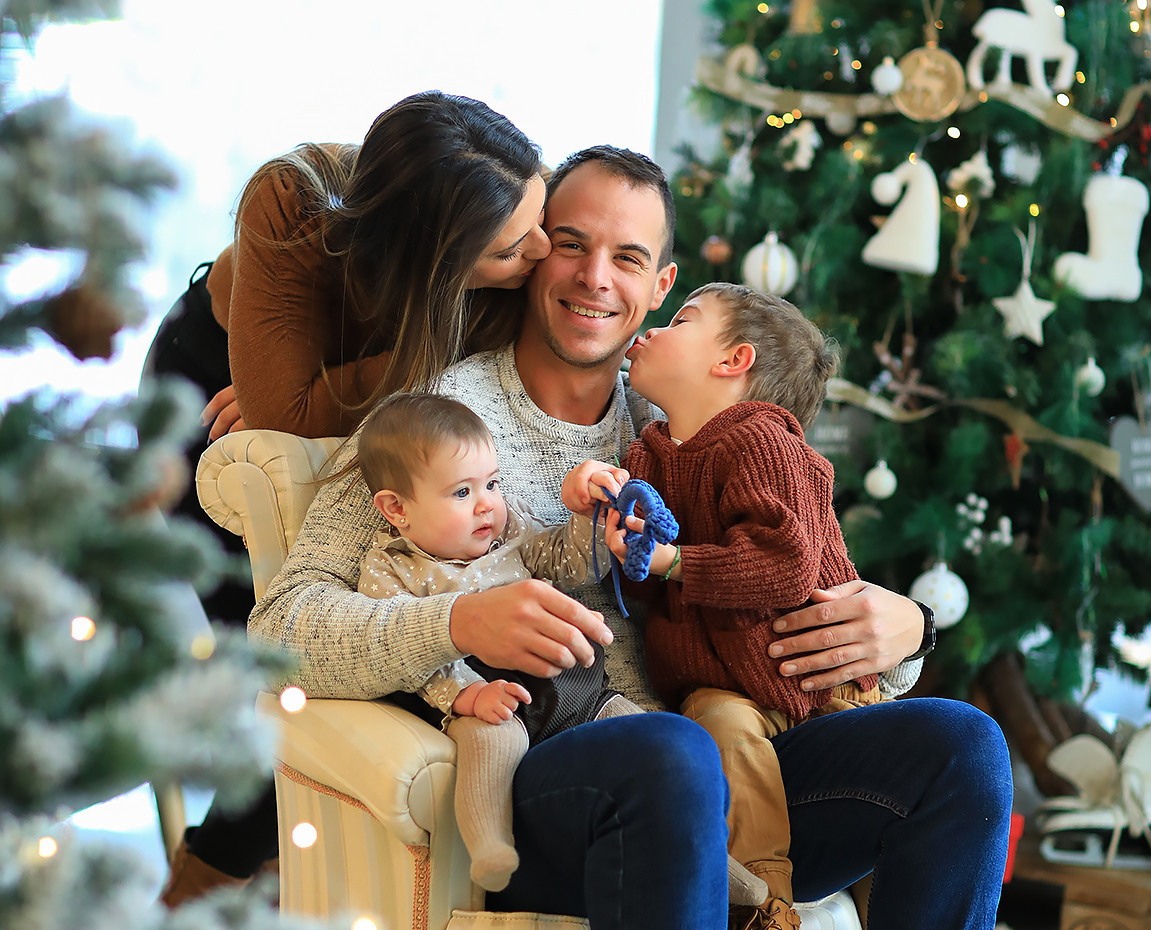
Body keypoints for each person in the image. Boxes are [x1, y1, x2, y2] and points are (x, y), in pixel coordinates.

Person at [250, 144, 1014, 930]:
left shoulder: (696, 423)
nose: (594, 278)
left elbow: (780, 606)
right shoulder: (434, 421)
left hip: (736, 782)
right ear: (536, 252)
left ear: (661, 287)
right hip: (557, 779)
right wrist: (456, 622)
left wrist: (905, 634)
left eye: (629, 257)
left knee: (965, 745)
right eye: (573, 244)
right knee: (673, 751)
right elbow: (279, 632)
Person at [146, 90, 551, 906]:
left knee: (381, 671)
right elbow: (278, 418)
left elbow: (302, 400)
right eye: (512, 250)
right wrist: (419, 348)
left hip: (334, 397)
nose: (542, 250)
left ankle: (272, 877)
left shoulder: (493, 220)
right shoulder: (293, 203)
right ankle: (184, 901)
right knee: (290, 691)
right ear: (439, 266)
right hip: (206, 397)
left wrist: (320, 389)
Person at [572, 282, 887, 928]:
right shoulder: (650, 455)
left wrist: (677, 561)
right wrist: (614, 526)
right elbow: (639, 585)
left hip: (821, 684)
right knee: (722, 732)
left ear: (733, 361)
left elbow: (784, 564)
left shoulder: (762, 440)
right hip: (728, 689)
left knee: (883, 843)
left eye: (682, 320)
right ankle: (765, 901)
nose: (655, 328)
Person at [355, 392, 641, 891]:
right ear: (397, 508)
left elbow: (569, 563)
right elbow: (408, 654)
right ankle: (489, 846)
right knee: (489, 743)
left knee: (654, 742)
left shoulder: (508, 529)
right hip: (489, 701)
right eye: (462, 493)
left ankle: (731, 875)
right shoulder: (393, 570)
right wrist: (468, 695)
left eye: (492, 483)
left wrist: (590, 522)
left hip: (582, 695)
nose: (488, 502)